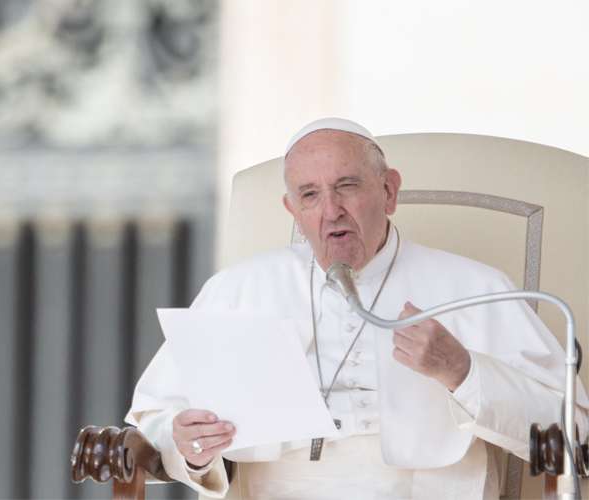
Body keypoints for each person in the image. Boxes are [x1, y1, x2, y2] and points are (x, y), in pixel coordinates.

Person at [125, 118, 589, 499]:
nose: (331, 211)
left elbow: (573, 429)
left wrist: (463, 372)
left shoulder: (474, 286)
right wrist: (189, 447)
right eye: (310, 195)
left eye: (346, 186)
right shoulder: (239, 288)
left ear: (389, 192)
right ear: (292, 210)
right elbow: (155, 419)